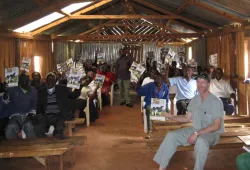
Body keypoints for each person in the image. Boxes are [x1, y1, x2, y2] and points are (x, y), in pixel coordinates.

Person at [153, 73, 224, 170]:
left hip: (211, 134)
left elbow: (216, 126)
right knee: (171, 136)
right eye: (198, 82)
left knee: (201, 141)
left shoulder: (216, 101)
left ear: (209, 84)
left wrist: (197, 133)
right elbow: (187, 118)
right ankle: (161, 167)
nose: (200, 85)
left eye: (203, 82)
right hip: (195, 130)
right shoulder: (194, 100)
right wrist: (171, 116)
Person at [35, 72, 81, 139]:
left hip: (59, 115)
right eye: (48, 79)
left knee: (59, 131)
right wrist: (39, 115)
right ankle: (45, 143)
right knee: (37, 129)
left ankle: (57, 138)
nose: (50, 81)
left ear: (55, 81)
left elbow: (73, 96)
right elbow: (38, 106)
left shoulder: (62, 89)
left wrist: (77, 85)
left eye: (52, 80)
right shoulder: (41, 91)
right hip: (46, 116)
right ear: (46, 81)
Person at [3, 73, 37, 139]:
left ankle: (32, 147)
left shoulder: (33, 90)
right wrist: (5, 96)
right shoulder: (12, 89)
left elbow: (35, 105)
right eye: (23, 80)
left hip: (28, 115)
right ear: (19, 82)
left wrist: (31, 114)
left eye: (27, 80)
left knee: (29, 127)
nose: (26, 82)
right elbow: (6, 104)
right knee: (10, 128)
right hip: (15, 116)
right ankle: (13, 147)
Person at [136, 71, 169, 138]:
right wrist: (137, 84)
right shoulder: (150, 85)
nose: (157, 80)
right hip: (150, 104)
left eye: (159, 78)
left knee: (167, 111)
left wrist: (165, 105)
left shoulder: (165, 86)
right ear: (154, 79)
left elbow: (166, 97)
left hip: (160, 104)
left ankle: (164, 130)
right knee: (149, 110)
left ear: (162, 78)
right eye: (156, 78)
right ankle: (149, 131)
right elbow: (140, 91)